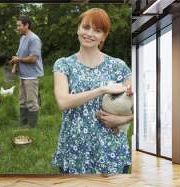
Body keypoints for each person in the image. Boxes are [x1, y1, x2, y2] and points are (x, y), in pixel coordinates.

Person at [52, 8, 133, 175]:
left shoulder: (119, 67)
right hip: (75, 149)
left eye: (97, 30)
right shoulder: (63, 65)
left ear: (104, 36)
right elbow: (63, 102)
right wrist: (102, 89)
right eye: (86, 27)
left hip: (110, 148)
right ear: (78, 29)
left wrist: (123, 119)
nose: (89, 33)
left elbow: (147, 107)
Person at [10, 16, 44, 128]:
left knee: (32, 102)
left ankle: (32, 127)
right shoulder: (23, 38)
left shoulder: (34, 39)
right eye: (17, 25)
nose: (17, 28)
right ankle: (23, 124)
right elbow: (18, 55)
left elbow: (34, 58)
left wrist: (18, 60)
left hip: (32, 76)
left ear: (26, 25)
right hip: (23, 75)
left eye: (19, 25)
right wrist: (14, 67)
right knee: (22, 101)